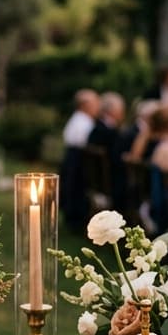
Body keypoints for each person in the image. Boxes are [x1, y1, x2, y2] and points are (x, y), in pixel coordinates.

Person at [60, 89, 101, 232]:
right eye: (95, 103)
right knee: (75, 189)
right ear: (85, 105)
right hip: (77, 159)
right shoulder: (82, 122)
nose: (98, 106)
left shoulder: (80, 119)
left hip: (75, 158)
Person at [88, 93, 128, 210]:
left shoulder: (97, 128)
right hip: (109, 181)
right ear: (113, 111)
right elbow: (116, 159)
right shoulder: (109, 132)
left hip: (97, 179)